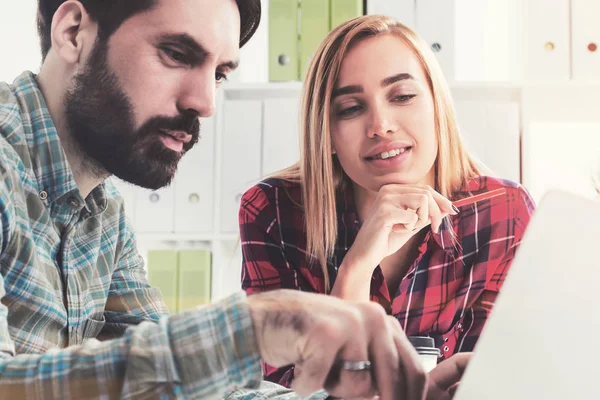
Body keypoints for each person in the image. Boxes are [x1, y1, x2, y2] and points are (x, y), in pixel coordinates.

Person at [0, 1, 465, 399]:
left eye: (219, 74)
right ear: (73, 31)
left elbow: (162, 382)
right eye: (177, 55)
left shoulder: (102, 210)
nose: (205, 103)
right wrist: (252, 329)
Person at [239, 14, 536, 387]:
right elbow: (289, 391)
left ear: (436, 106)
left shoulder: (504, 211)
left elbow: (502, 378)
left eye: (403, 96)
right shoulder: (272, 212)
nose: (381, 125)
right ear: (326, 133)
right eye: (350, 108)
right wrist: (357, 268)